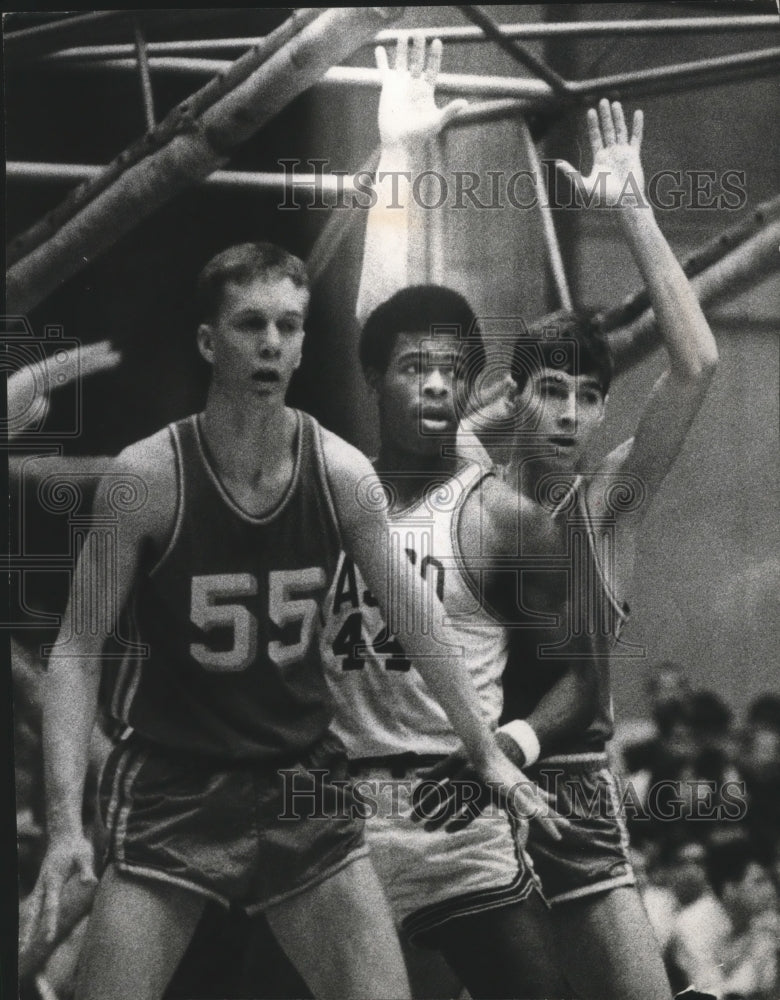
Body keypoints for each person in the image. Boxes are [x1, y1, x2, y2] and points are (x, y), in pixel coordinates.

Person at [23, 242, 541, 1000]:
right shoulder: (147, 478)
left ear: (302, 345)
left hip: (303, 788)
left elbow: (417, 618)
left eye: (290, 327)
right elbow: (75, 652)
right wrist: (66, 822)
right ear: (209, 341)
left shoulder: (338, 473)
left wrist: (484, 750)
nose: (271, 344)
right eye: (250, 324)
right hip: (177, 786)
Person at [360, 37, 719, 1000]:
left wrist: (634, 208)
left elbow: (699, 368)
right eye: (549, 392)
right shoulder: (471, 478)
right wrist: (403, 152)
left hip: (569, 782)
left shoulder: (608, 501)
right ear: (517, 396)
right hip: (452, 787)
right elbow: (400, 334)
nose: (567, 415)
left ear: (603, 409)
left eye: (586, 398)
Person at [320, 283, 570, 999]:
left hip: (459, 818)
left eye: (454, 370)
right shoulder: (321, 503)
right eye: (413, 367)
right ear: (373, 375)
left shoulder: (505, 518)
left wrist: (504, 751)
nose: (436, 385)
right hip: (337, 825)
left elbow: (578, 681)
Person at [668, 836, 779, 998]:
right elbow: (712, 993)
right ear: (730, 889)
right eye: (759, 881)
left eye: (770, 880)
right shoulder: (692, 924)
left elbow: (766, 988)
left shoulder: (762, 920)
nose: (770, 890)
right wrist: (752, 945)